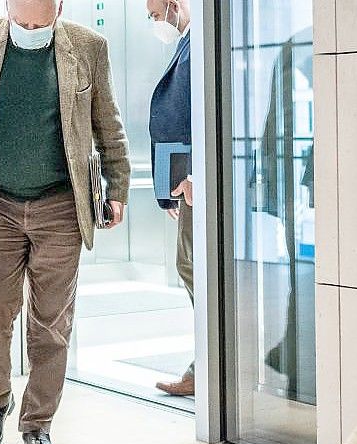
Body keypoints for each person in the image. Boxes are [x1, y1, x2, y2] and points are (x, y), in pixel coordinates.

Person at [0, 0, 131, 444]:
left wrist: (118, 187)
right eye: (22, 21)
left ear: (60, 8)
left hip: (61, 206)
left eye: (40, 22)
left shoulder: (89, 47)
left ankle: (38, 424)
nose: (30, 29)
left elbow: (109, 124)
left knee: (52, 322)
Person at [146, 0, 195, 397]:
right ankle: (206, 362)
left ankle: (208, 365)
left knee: (195, 269)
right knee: (189, 267)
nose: (154, 22)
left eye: (155, 14)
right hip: (183, 184)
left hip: (197, 185)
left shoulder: (202, 46)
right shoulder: (186, 45)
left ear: (174, 6)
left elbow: (205, 116)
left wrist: (196, 175)